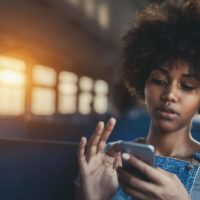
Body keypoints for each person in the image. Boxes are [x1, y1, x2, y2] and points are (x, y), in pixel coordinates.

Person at [75, 0, 200, 199]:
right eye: (159, 80)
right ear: (143, 82)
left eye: (187, 86)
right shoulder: (103, 159)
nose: (169, 95)